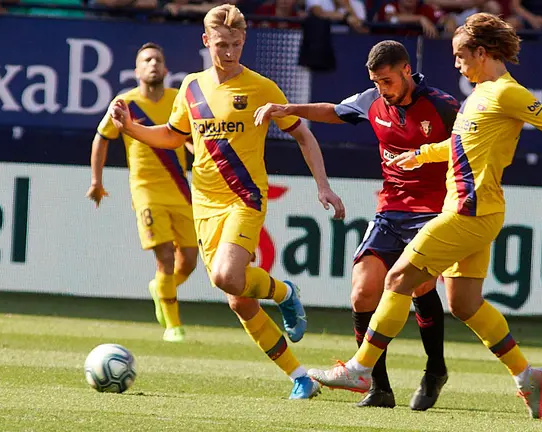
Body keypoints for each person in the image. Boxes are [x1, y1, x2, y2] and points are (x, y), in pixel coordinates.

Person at [308, 12, 542, 419]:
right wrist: (420, 154)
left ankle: (360, 368)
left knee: (398, 278)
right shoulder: (479, 95)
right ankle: (526, 375)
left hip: (468, 211)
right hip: (475, 211)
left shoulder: (507, 93)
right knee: (464, 303)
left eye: (461, 56)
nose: (456, 64)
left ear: (482, 52)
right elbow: (459, 147)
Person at [107, 4, 346, 399]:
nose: (230, 52)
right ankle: (300, 377)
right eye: (222, 44)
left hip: (244, 198)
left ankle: (285, 293)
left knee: (225, 277)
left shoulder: (261, 88)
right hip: (203, 203)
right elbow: (172, 135)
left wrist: (323, 185)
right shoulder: (192, 87)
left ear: (244, 41)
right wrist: (131, 127)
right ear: (207, 41)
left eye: (236, 44)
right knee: (238, 301)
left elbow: (304, 134)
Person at [254, 40, 457, 411]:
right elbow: (333, 111)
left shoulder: (443, 107)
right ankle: (378, 387)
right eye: (377, 82)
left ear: (406, 71)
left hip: (434, 211)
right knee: (363, 292)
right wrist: (287, 108)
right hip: (391, 210)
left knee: (420, 285)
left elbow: (471, 146)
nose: (382, 89)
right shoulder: (373, 101)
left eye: (388, 81)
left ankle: (435, 370)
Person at [88, 43, 197, 343]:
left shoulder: (179, 100)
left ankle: (161, 288)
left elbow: (186, 136)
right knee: (165, 257)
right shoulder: (124, 103)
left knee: (188, 259)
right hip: (146, 190)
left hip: (179, 188)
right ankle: (173, 326)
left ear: (165, 70)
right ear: (137, 71)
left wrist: (197, 152)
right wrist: (97, 181)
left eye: (158, 60)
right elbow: (102, 139)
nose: (152, 64)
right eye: (146, 60)